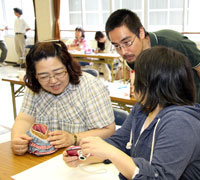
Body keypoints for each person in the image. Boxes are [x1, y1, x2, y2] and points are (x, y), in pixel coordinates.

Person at [63, 46, 200, 180]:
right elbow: (119, 143)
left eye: (136, 73)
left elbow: (160, 176)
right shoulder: (143, 108)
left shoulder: (181, 122)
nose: (132, 77)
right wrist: (83, 155)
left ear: (152, 83)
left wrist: (110, 152)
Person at [11, 40, 115, 156]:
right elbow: (24, 119)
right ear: (35, 76)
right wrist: (17, 140)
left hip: (83, 159)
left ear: (68, 67)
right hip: (45, 160)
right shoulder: (35, 87)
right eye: (44, 76)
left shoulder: (90, 86)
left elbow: (108, 130)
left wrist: (74, 138)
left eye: (59, 73)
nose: (53, 81)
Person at [105, 9, 200, 103]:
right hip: (166, 106)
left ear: (141, 32)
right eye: (117, 46)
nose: (123, 52)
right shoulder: (132, 57)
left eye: (127, 42)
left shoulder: (175, 43)